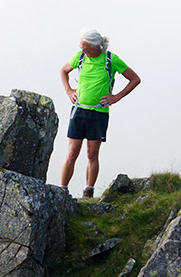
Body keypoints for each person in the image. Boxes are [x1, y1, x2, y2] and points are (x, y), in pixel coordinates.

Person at [60, 27, 141, 199]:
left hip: (99, 113)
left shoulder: (111, 60)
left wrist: (116, 97)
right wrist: (68, 91)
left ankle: (88, 192)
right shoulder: (80, 57)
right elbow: (63, 71)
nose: (83, 51)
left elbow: (135, 79)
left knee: (92, 154)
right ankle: (61, 191)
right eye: (82, 48)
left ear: (97, 46)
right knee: (72, 153)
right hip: (79, 110)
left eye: (86, 48)